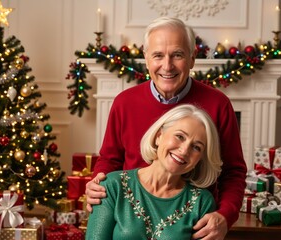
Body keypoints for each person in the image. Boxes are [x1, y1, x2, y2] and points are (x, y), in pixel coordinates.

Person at [86, 16, 247, 240]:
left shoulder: (218, 105)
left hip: (193, 223)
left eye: (178, 55)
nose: (167, 66)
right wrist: (98, 184)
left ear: (192, 59)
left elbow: (233, 172)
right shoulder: (125, 102)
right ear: (146, 57)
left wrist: (225, 215)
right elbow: (110, 159)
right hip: (129, 219)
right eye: (158, 55)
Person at [86, 104, 223, 239]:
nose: (185, 150)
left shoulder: (202, 202)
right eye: (180, 137)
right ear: (158, 136)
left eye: (196, 147)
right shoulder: (112, 186)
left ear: (199, 159)